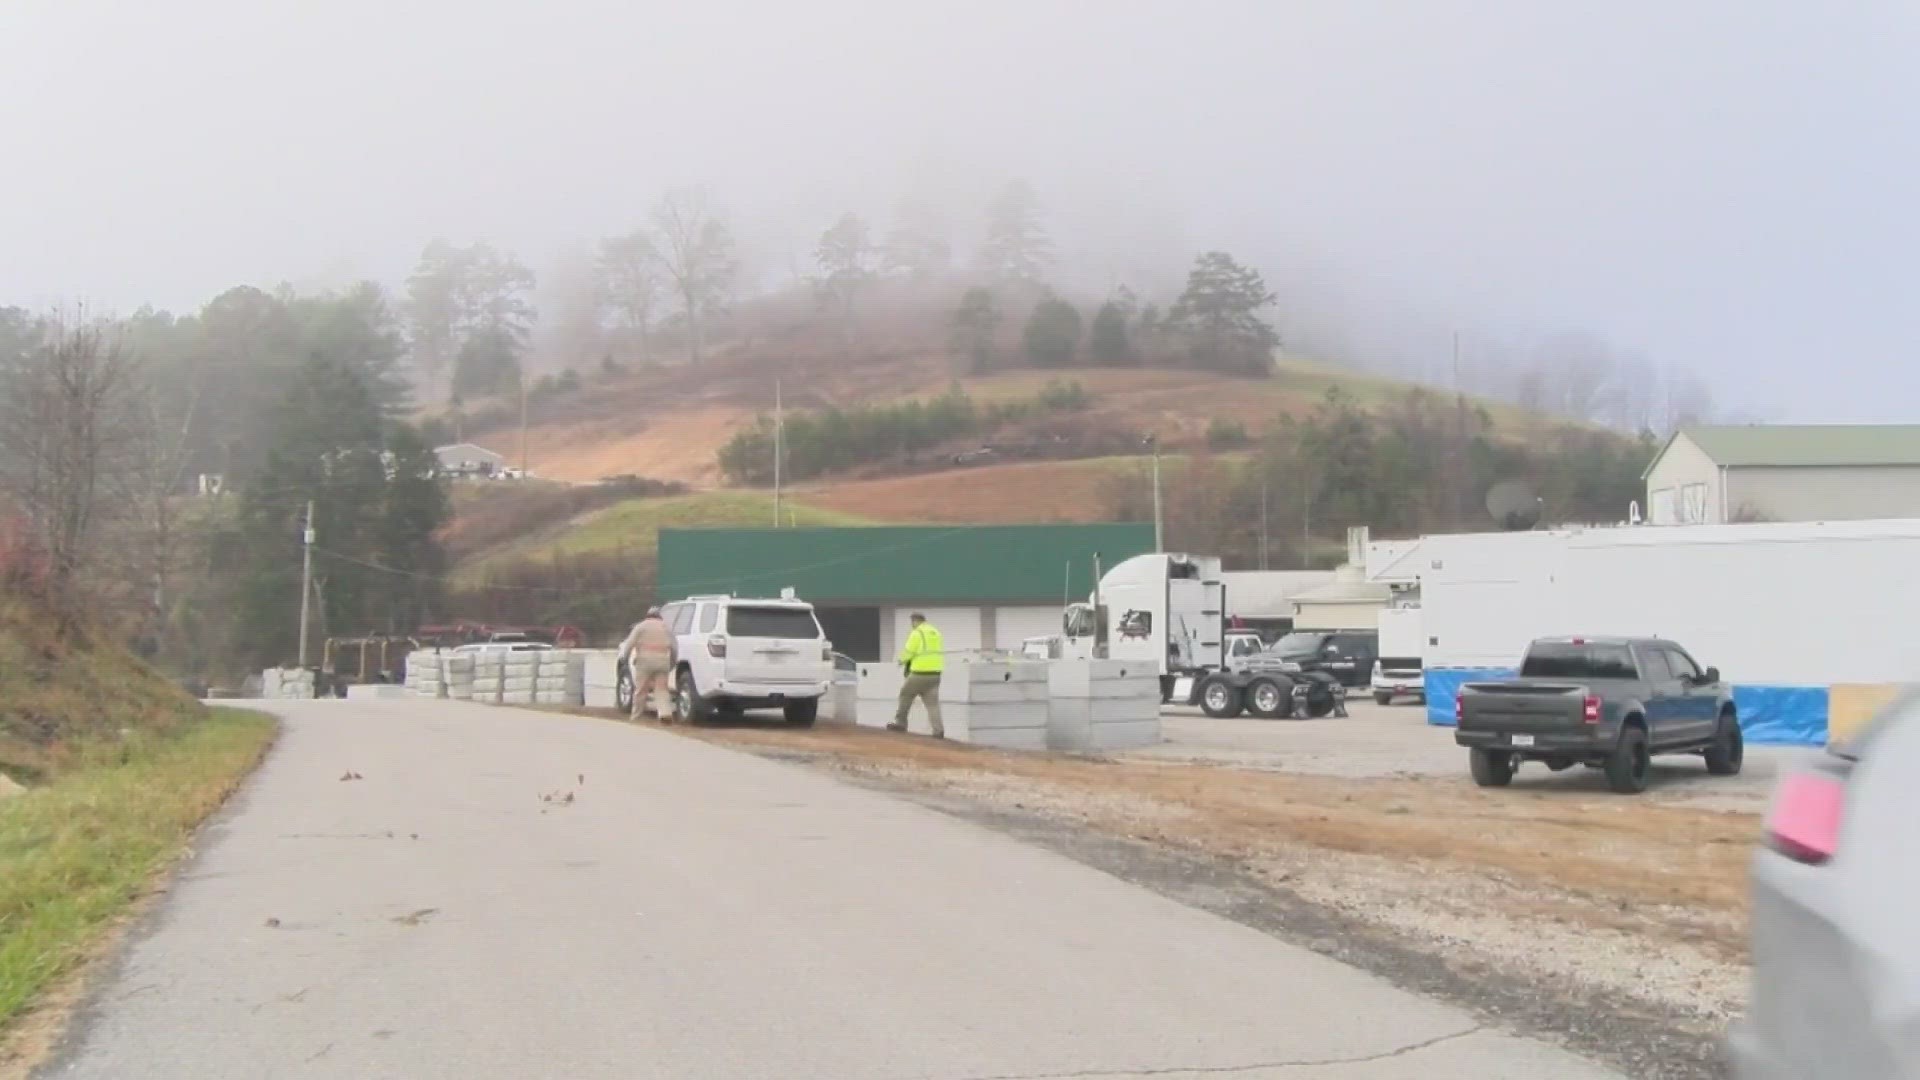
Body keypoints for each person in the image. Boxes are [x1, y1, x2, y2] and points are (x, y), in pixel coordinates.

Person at [889, 612, 944, 738]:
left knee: (905, 695)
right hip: (935, 673)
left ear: (915, 621)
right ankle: (938, 731)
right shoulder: (935, 632)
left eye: (912, 622)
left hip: (920, 672)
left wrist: (901, 661)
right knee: (932, 704)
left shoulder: (917, 633)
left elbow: (910, 651)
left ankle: (900, 723)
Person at [619, 606, 675, 722]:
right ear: (660, 616)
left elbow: (629, 644)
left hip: (644, 661)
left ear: (647, 615)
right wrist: (672, 663)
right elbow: (674, 648)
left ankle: (636, 716)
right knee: (662, 689)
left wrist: (625, 658)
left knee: (641, 690)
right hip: (663, 661)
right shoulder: (666, 627)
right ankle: (664, 713)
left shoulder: (640, 627)